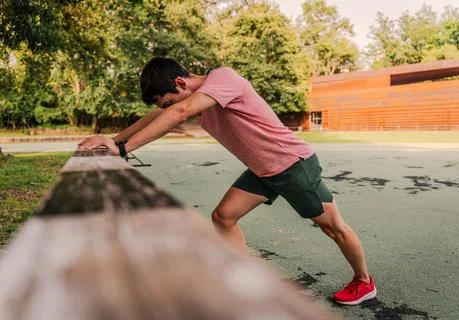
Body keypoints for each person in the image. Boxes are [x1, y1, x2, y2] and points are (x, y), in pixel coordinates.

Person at [78, 57, 376, 305]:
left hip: (293, 165)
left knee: (333, 227)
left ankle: (364, 282)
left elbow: (179, 111)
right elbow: (165, 112)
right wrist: (113, 140)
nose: (169, 107)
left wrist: (122, 150)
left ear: (181, 83)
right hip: (263, 171)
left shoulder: (223, 78)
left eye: (168, 100)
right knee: (223, 216)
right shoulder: (189, 97)